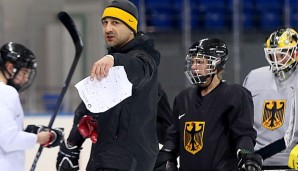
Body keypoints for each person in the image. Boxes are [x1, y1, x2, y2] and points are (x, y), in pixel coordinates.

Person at [57, 0, 161, 171]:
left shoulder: (145, 59)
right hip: (104, 157)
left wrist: (115, 60)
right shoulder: (110, 64)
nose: (108, 29)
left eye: (115, 23)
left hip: (128, 161)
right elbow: (88, 107)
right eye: (105, 23)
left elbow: (137, 69)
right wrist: (72, 145)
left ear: (131, 27)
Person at [154, 38, 263, 171]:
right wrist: (165, 156)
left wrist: (247, 154)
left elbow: (244, 134)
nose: (194, 67)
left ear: (216, 64)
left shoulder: (235, 94)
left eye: (199, 62)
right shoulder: (183, 98)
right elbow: (174, 137)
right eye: (193, 62)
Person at [0, 42, 64, 171]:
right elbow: (8, 140)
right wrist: (38, 138)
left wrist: (28, 132)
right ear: (9, 67)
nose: (26, 79)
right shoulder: (6, 92)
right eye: (24, 72)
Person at [243, 27, 298, 170]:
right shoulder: (254, 77)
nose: (277, 60)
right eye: (273, 55)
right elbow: (242, 124)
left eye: (282, 54)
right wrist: (244, 153)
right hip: (256, 163)